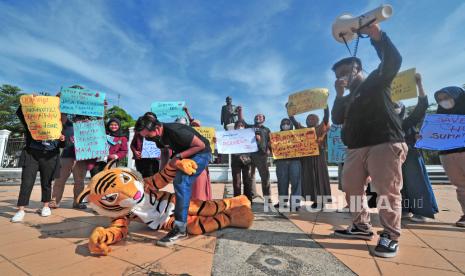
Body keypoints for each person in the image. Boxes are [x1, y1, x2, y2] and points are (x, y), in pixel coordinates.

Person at [331, 24, 407, 258]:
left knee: (386, 191)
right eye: (338, 75)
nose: (342, 77)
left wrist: (377, 37)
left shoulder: (376, 80)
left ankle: (390, 235)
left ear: (357, 69)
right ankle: (361, 226)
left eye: (345, 72)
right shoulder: (348, 96)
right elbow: (336, 117)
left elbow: (393, 60)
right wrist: (340, 94)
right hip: (355, 148)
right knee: (352, 188)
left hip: (383, 142)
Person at [135, 114, 212, 246]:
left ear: (158, 128)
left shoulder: (176, 130)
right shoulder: (155, 136)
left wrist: (179, 156)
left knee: (181, 181)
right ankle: (181, 219)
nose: (148, 138)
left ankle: (180, 228)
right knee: (179, 181)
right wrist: (162, 173)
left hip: (201, 153)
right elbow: (165, 152)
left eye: (149, 135)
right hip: (185, 154)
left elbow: (200, 146)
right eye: (145, 136)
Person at [11, 102, 64, 222]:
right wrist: (27, 101)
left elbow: (63, 144)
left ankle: (45, 206)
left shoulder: (58, 124)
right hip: (31, 154)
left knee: (47, 182)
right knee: (26, 182)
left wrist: (62, 139)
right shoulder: (32, 121)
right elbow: (20, 113)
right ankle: (21, 210)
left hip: (50, 155)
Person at [397, 73, 438, 222]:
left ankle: (422, 212)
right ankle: (404, 209)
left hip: (411, 154)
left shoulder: (408, 121)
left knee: (415, 182)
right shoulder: (385, 125)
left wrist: (419, 84)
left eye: (397, 105)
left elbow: (422, 106)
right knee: (398, 185)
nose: (395, 108)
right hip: (392, 156)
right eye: (392, 105)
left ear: (402, 109)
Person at [434, 86, 465, 228]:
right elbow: (433, 135)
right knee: (460, 186)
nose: (443, 102)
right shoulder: (439, 117)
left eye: (446, 97)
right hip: (447, 155)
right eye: (440, 100)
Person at [290, 107, 331, 209]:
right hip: (306, 159)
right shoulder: (303, 130)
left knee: (319, 178)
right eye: (308, 119)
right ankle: (315, 200)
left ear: (317, 121)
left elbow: (326, 118)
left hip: (319, 158)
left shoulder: (321, 128)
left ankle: (321, 201)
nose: (310, 120)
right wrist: (290, 112)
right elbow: (294, 122)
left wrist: (326, 107)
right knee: (309, 179)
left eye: (313, 119)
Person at [50, 114, 88, 209]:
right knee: (59, 180)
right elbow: (62, 115)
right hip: (66, 156)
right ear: (75, 119)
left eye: (85, 119)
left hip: (81, 159)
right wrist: (63, 100)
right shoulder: (68, 125)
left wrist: (103, 108)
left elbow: (100, 126)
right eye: (80, 119)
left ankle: (77, 202)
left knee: (79, 182)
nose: (82, 121)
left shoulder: (90, 129)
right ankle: (54, 201)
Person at [237, 107, 272, 202]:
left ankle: (267, 198)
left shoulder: (267, 130)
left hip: (262, 156)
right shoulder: (249, 127)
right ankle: (252, 195)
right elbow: (241, 121)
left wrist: (269, 149)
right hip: (250, 155)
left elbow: (270, 142)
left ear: (263, 120)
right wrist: (240, 111)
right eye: (256, 116)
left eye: (260, 117)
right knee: (250, 177)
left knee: (265, 177)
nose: (258, 118)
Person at [183, 106, 212, 201]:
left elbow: (210, 147)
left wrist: (214, 141)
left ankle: (201, 202)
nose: (194, 127)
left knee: (200, 184)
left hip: (201, 164)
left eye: (197, 126)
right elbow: (191, 120)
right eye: (193, 126)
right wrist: (187, 112)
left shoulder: (204, 137)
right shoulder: (187, 137)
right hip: (190, 164)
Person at [274, 118, 302, 211]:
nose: (285, 125)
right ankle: (282, 202)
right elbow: (273, 150)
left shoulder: (297, 134)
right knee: (282, 183)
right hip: (281, 162)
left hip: (295, 161)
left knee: (296, 182)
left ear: (291, 125)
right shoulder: (276, 136)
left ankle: (295, 204)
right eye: (283, 123)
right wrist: (270, 145)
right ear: (281, 125)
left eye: (287, 123)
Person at [131, 112, 160, 178]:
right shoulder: (138, 132)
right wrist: (135, 152)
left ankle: (152, 188)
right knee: (141, 177)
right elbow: (132, 145)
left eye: (151, 119)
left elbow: (163, 146)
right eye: (147, 118)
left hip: (154, 159)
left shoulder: (158, 132)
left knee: (153, 177)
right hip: (140, 159)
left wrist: (160, 153)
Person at [231, 120, 253, 202]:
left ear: (244, 127)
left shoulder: (249, 135)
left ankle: (248, 200)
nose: (240, 127)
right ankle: (237, 200)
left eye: (242, 125)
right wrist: (217, 141)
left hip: (246, 159)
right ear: (235, 127)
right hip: (235, 160)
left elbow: (253, 145)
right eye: (238, 125)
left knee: (247, 181)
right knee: (236, 182)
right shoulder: (231, 136)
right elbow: (224, 143)